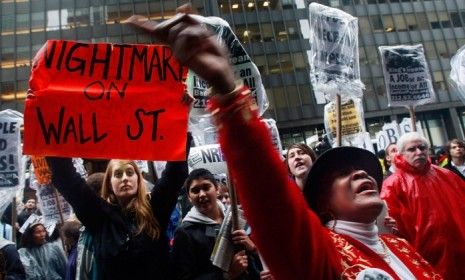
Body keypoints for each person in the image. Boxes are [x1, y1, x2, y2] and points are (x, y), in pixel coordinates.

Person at [129, 9, 442, 279]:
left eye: (363, 170)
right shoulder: (324, 255)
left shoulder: (403, 247)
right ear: (324, 204)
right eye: (343, 174)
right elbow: (272, 198)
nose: (361, 174)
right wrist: (227, 90)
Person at [47, 134, 191, 279]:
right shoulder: (99, 217)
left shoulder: (155, 209)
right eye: (118, 174)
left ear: (138, 179)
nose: (124, 178)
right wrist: (55, 136)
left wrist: (180, 128)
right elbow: (66, 179)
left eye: (129, 172)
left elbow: (175, 173)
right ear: (110, 184)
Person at [382, 132, 465, 279]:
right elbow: (389, 227)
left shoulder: (447, 175)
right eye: (412, 149)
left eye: (422, 148)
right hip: (424, 255)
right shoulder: (392, 184)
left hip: (459, 252)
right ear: (401, 154)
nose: (419, 152)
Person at [172, 168, 260, 279]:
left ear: (217, 189)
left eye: (206, 187)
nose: (202, 194)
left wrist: (251, 248)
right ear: (189, 197)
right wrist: (226, 275)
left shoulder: (234, 218)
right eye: (195, 190)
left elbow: (252, 264)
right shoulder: (185, 233)